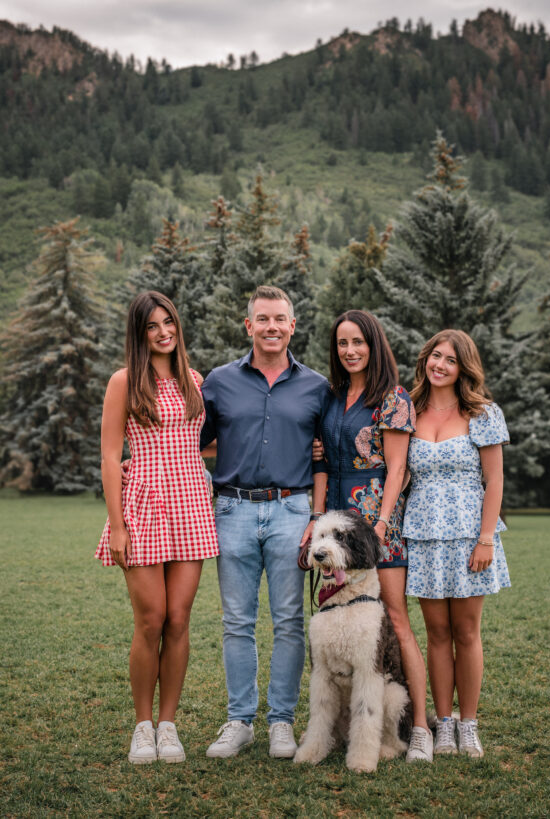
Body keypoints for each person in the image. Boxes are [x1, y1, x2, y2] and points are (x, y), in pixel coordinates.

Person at [200, 285, 329, 760]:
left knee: (290, 621)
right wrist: (135, 461)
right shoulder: (218, 381)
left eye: (281, 319)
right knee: (237, 621)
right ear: (248, 325)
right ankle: (239, 721)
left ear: (293, 326)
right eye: (263, 319)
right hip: (232, 508)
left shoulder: (316, 387)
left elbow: (326, 455)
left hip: (292, 510)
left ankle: (280, 722)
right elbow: (193, 441)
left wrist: (316, 516)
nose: (272, 327)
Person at [95, 291, 219, 765]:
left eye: (168, 322)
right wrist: (118, 525)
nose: (164, 332)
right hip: (143, 503)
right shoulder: (123, 382)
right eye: (152, 326)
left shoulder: (194, 380)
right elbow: (110, 456)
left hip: (190, 501)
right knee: (150, 621)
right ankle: (142, 726)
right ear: (139, 333)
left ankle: (169, 726)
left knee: (179, 619)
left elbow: (201, 442)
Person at [311, 309, 434, 762]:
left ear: (374, 344)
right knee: (337, 619)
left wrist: (381, 526)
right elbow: (320, 460)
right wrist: (317, 517)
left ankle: (417, 725)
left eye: (358, 342)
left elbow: (398, 467)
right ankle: (340, 724)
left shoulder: (393, 398)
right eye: (342, 343)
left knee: (396, 620)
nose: (350, 351)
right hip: (336, 529)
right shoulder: (331, 397)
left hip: (378, 525)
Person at [403, 329, 511, 758]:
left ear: (463, 367)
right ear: (425, 359)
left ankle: (469, 724)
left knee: (466, 632)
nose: (440, 365)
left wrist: (486, 538)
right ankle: (442, 724)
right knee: (436, 632)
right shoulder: (408, 410)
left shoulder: (483, 412)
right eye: (435, 356)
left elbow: (495, 479)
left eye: (450, 359)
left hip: (470, 533)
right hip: (424, 532)